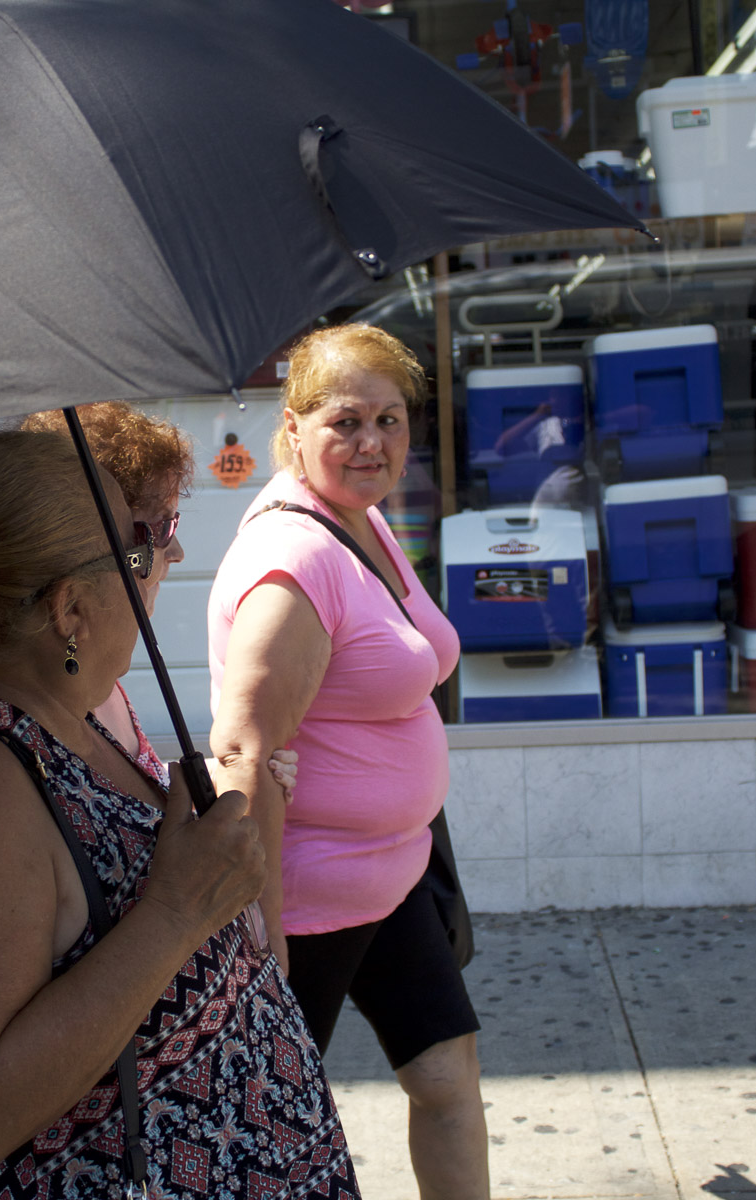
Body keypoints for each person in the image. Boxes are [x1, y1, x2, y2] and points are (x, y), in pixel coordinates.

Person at [0, 429, 359, 1200]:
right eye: (141, 548)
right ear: (71, 608)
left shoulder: (68, 722)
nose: (170, 560)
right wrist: (177, 912)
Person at [206, 326, 487, 1199]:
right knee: (269, 1139)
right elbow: (244, 748)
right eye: (346, 421)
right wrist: (267, 942)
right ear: (293, 430)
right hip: (311, 906)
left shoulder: (360, 522)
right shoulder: (293, 561)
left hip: (393, 879)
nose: (372, 442)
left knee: (447, 1076)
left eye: (391, 420)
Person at [22, 403, 298, 798]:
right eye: (162, 527)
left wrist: (225, 780)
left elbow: (135, 797)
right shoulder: (26, 720)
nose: (179, 551)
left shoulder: (101, 687)